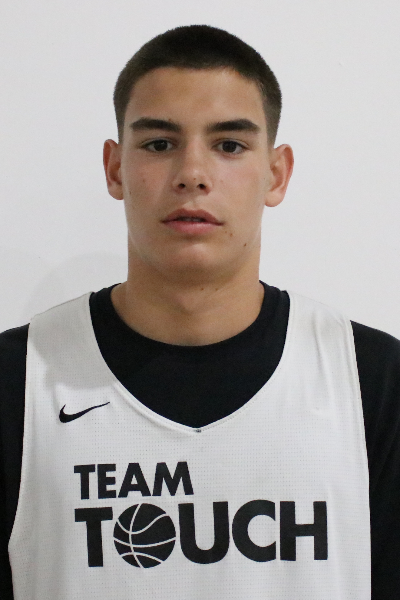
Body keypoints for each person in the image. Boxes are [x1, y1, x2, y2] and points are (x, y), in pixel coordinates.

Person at [0, 24, 399, 600]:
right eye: (159, 144)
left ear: (277, 174)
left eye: (229, 145)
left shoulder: (373, 381)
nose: (192, 173)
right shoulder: (18, 380)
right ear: (115, 168)